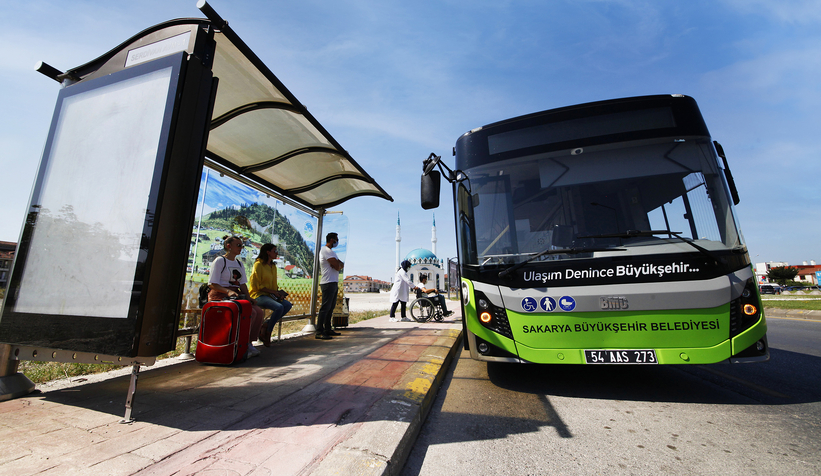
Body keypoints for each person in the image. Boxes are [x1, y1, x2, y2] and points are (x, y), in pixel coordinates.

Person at [208, 236, 265, 359]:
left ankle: (248, 342)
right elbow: (212, 284)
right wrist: (227, 291)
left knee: (258, 312)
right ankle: (240, 343)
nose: (241, 248)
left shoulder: (239, 263)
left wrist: (249, 298)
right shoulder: (219, 261)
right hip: (220, 295)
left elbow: (242, 284)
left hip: (235, 295)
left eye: (242, 245)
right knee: (251, 313)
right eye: (238, 245)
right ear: (229, 246)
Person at [248, 243, 293, 346]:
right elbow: (255, 285)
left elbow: (273, 284)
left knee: (287, 305)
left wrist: (278, 293)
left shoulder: (273, 266)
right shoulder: (258, 264)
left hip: (270, 295)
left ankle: (266, 325)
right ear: (268, 252)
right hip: (258, 295)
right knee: (279, 307)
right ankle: (268, 332)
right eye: (274, 251)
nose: (277, 253)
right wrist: (273, 292)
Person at [317, 232, 344, 339]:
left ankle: (327, 328)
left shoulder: (331, 252)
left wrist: (338, 264)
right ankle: (319, 331)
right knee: (325, 307)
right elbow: (338, 266)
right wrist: (338, 264)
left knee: (330, 307)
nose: (337, 241)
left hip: (333, 282)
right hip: (328, 283)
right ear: (332, 240)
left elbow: (340, 264)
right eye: (336, 239)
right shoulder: (326, 250)